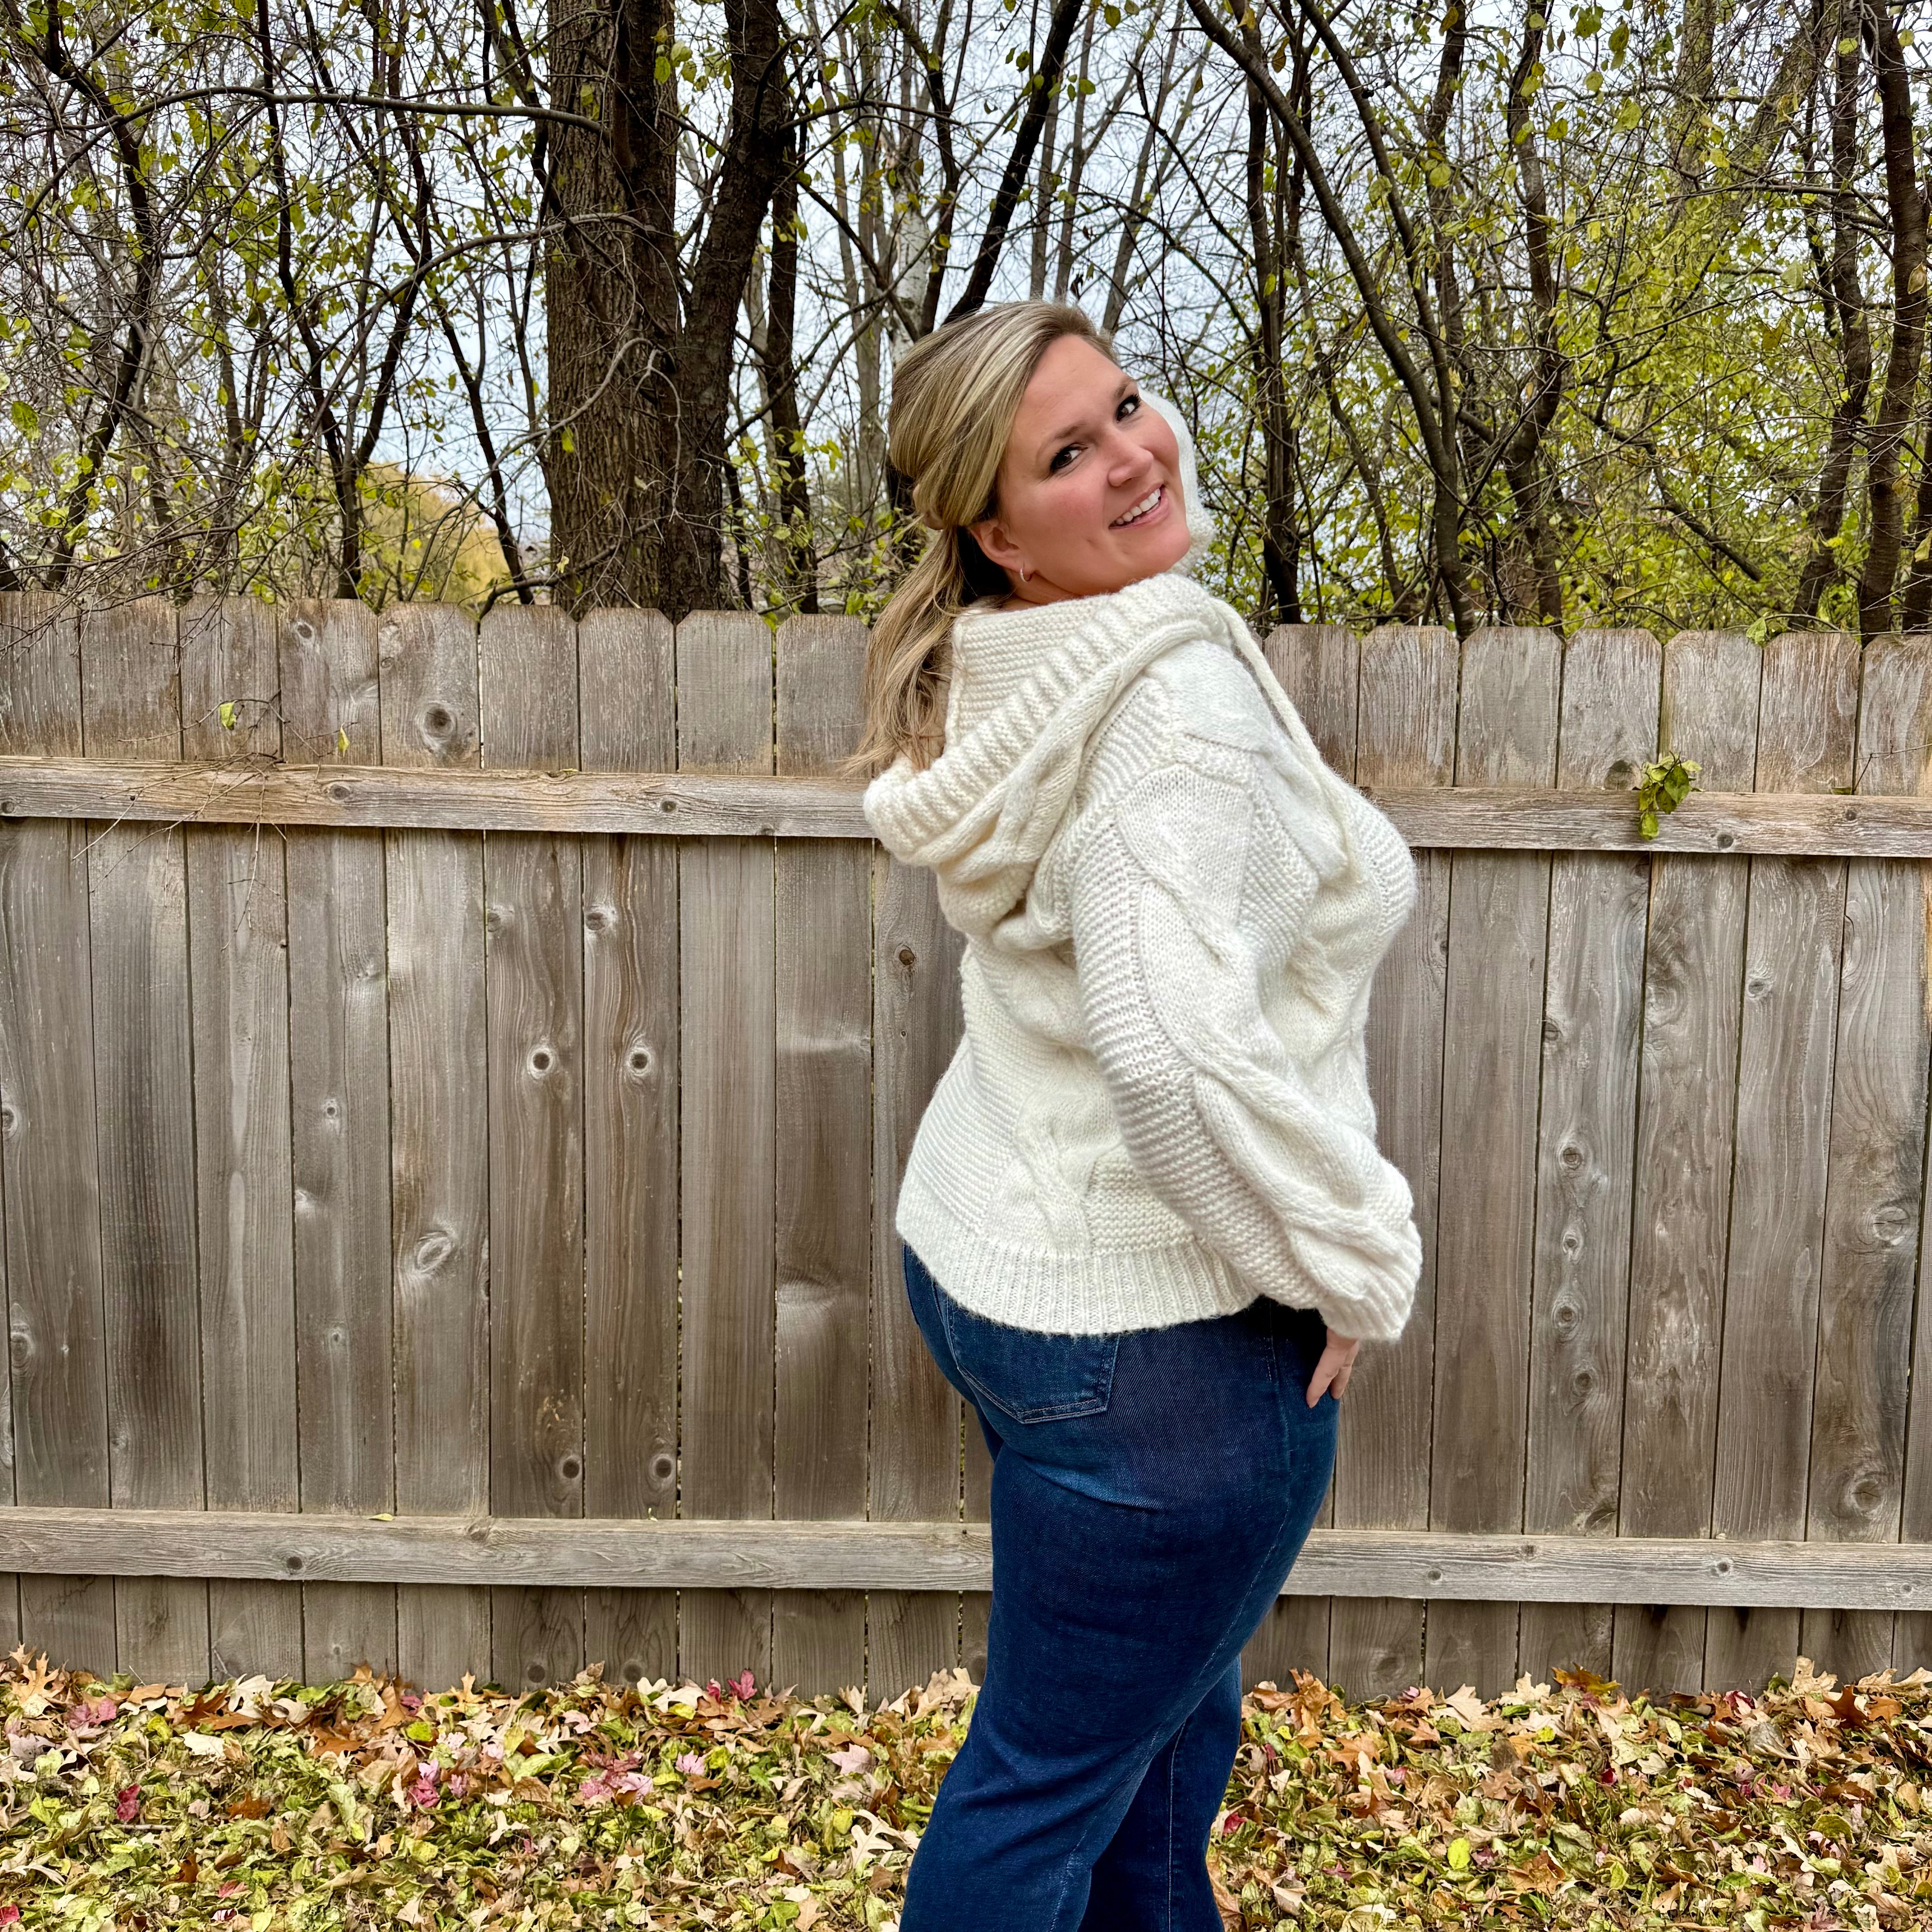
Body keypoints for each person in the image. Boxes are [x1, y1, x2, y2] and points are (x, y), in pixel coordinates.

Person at [851, 301, 1422, 1932]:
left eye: (1121, 407)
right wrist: (1350, 1256)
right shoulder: (1174, 710)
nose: (1129, 455)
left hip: (999, 1270)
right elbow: (1172, 1055)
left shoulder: (1025, 672)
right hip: (1162, 1351)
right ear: (995, 532)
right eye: (1064, 453)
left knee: (1146, 1737)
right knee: (1042, 1785)